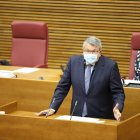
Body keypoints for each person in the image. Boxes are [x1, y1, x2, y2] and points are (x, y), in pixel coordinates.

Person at [37, 36, 125, 121]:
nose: (90, 54)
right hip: (77, 115)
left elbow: (118, 92)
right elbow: (62, 88)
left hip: (101, 117)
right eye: (87, 51)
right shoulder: (73, 62)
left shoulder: (110, 66)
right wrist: (53, 107)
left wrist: (117, 107)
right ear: (83, 51)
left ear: (100, 52)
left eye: (94, 51)